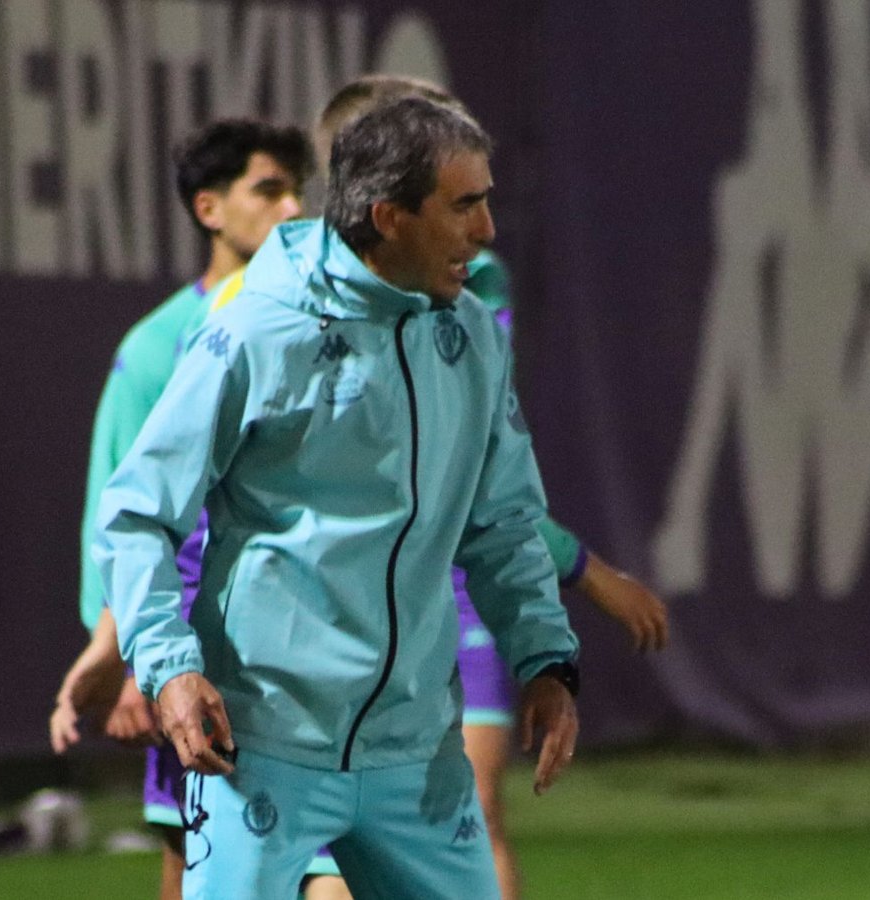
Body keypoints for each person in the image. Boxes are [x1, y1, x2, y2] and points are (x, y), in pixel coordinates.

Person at [96, 96, 581, 900]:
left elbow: (503, 521)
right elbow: (139, 510)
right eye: (465, 205)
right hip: (261, 747)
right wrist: (169, 668)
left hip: (416, 753)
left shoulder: (470, 339)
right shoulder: (255, 330)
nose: (488, 230)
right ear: (389, 216)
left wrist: (546, 656)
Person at [304, 74, 668, 900]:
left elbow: (476, 486)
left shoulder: (469, 290)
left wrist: (567, 597)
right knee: (316, 857)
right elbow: (153, 501)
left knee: (467, 814)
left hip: (444, 599)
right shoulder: (268, 310)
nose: (479, 225)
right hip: (312, 631)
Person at [48, 118, 312, 900]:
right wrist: (135, 658)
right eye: (268, 190)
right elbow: (121, 512)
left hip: (310, 656)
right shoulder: (160, 347)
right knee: (197, 867)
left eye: (299, 190)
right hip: (203, 660)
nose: (293, 208)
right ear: (209, 209)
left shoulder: (322, 325)